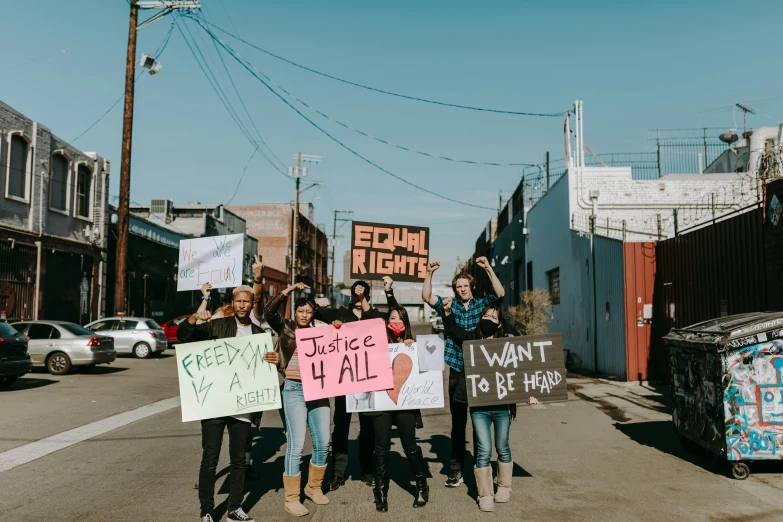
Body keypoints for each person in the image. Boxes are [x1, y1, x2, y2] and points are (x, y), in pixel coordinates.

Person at [178, 285, 278, 522]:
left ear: (252, 304)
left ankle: (234, 508)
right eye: (238, 301)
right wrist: (194, 317)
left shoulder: (259, 335)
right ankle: (206, 512)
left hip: (242, 406)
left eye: (247, 302)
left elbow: (264, 371)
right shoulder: (217, 325)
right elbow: (184, 336)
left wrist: (272, 360)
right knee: (210, 458)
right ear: (233, 303)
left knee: (239, 460)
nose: (242, 305)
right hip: (215, 403)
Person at [421, 256, 505, 487]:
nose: (461, 290)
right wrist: (429, 273)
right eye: (458, 287)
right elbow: (427, 296)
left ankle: (481, 466)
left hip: (481, 369)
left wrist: (488, 268)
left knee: (480, 421)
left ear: (471, 287)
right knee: (458, 424)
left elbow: (499, 293)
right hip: (457, 368)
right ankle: (456, 469)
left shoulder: (482, 304)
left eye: (465, 286)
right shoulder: (450, 305)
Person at [442, 297, 526, 513]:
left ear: (499, 324)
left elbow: (523, 369)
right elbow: (453, 331)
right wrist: (448, 313)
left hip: (502, 407)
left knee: (502, 447)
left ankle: (504, 486)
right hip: (479, 407)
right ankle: (485, 493)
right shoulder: (471, 339)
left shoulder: (508, 342)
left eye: (493, 317)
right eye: (486, 316)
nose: (488, 319)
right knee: (484, 450)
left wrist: (530, 392)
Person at [314, 278, 398, 490]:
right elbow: (308, 316)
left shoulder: (376, 316)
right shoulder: (341, 314)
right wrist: (319, 305)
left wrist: (389, 291)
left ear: (367, 295)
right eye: (354, 293)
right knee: (341, 428)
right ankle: (338, 474)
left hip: (369, 382)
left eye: (361, 293)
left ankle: (367, 471)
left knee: (367, 428)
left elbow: (397, 314)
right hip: (344, 382)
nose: (357, 297)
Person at [265, 282, 331, 517]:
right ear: (295, 312)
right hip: (293, 389)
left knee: (323, 443)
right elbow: (269, 312)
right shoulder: (285, 327)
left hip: (319, 389)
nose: (304, 315)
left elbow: (342, 339)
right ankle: (291, 499)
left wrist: (338, 325)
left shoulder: (322, 328)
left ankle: (313, 488)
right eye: (300, 311)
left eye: (308, 311)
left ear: (313, 313)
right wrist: (289, 290)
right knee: (296, 444)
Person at [362, 304, 429, 512]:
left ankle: (421, 486)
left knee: (409, 445)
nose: (396, 323)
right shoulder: (377, 343)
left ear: (406, 323)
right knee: (381, 447)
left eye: (400, 319)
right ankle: (380, 491)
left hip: (405, 404)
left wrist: (413, 348)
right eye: (392, 318)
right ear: (386, 322)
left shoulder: (412, 344)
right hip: (382, 403)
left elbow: (426, 371)